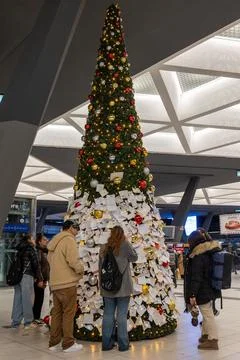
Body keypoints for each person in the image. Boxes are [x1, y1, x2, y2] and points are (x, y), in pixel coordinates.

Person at [99, 225, 138, 352]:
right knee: (121, 315)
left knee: (108, 314)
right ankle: (123, 345)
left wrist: (101, 286)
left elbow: (100, 268)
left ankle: (106, 344)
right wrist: (126, 242)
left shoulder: (103, 247)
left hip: (107, 287)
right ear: (122, 234)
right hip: (123, 287)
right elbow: (134, 257)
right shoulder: (125, 245)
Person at [47, 220, 84, 353]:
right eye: (76, 228)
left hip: (55, 283)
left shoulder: (54, 242)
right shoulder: (69, 240)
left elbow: (49, 261)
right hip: (67, 283)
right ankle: (68, 343)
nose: (77, 231)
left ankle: (53, 342)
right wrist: (81, 269)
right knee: (69, 313)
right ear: (69, 228)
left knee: (56, 313)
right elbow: (73, 261)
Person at [184, 229, 221, 350]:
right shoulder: (206, 253)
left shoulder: (198, 256)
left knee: (208, 315)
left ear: (194, 242)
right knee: (206, 314)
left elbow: (196, 278)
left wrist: (192, 293)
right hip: (208, 289)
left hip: (202, 290)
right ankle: (205, 335)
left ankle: (213, 339)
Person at [11, 234, 43, 329]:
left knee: (17, 299)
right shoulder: (30, 249)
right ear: (29, 240)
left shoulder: (19, 249)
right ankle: (28, 322)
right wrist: (40, 278)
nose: (34, 240)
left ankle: (15, 322)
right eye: (33, 239)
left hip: (17, 277)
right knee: (27, 299)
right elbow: (36, 264)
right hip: (27, 276)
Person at [33, 233, 50, 324]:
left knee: (41, 298)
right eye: (44, 239)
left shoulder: (45, 251)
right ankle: (35, 317)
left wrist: (45, 279)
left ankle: (37, 316)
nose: (46, 241)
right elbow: (38, 266)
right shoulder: (38, 251)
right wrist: (39, 279)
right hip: (39, 278)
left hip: (43, 278)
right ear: (39, 241)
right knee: (38, 298)